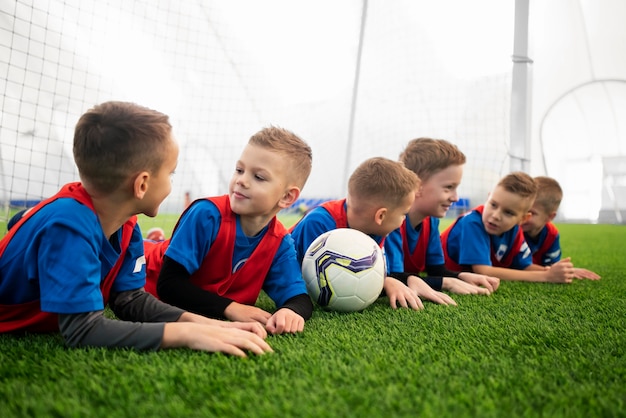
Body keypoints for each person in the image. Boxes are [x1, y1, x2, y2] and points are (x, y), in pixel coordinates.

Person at [0, 101, 272, 357]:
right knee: (52, 221)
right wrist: (186, 333)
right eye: (171, 174)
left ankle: (26, 221)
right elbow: (80, 329)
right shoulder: (69, 227)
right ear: (142, 184)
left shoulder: (126, 221)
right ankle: (27, 222)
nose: (171, 183)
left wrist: (205, 323)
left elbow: (128, 299)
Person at [144, 126, 314, 335]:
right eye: (239, 170)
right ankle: (154, 241)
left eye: (258, 177)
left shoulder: (280, 242)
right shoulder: (207, 214)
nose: (241, 180)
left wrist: (290, 311)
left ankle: (158, 239)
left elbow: (299, 298)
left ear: (287, 197)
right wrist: (230, 308)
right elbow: (169, 285)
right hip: (140, 269)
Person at [290, 156, 455, 310]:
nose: (403, 221)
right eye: (403, 214)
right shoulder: (319, 223)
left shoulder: (376, 230)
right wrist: (385, 283)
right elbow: (314, 282)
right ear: (381, 216)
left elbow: (373, 273)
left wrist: (395, 280)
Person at [385, 138, 500, 296]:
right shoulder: (392, 222)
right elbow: (394, 279)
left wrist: (460, 276)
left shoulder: (430, 221)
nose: (455, 197)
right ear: (417, 185)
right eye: (449, 188)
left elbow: (436, 270)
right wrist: (447, 283)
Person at [440, 171, 576, 283]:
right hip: (434, 269)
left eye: (508, 212)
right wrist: (545, 276)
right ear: (488, 198)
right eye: (493, 204)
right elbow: (483, 271)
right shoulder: (472, 222)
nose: (496, 216)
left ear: (523, 219)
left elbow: (524, 266)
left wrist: (560, 272)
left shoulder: (515, 230)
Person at [521, 176, 600, 280]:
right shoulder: (514, 228)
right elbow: (517, 266)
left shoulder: (551, 235)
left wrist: (564, 271)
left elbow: (551, 266)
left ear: (550, 217)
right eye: (521, 209)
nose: (523, 216)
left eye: (531, 213)